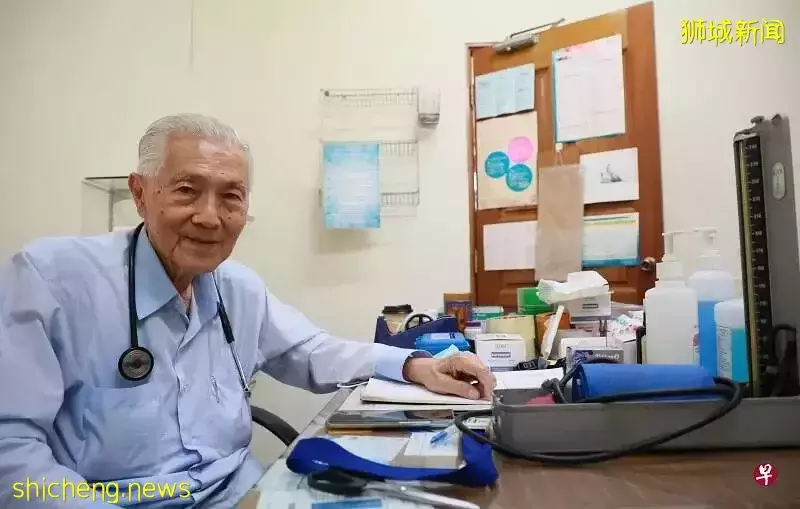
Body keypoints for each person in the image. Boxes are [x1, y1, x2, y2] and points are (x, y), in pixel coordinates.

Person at [0, 114, 496, 508]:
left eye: (231, 197)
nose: (209, 217)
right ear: (140, 193)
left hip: (241, 495)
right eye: (187, 190)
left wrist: (414, 365)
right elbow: (11, 451)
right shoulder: (52, 280)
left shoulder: (237, 287)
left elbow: (310, 351)